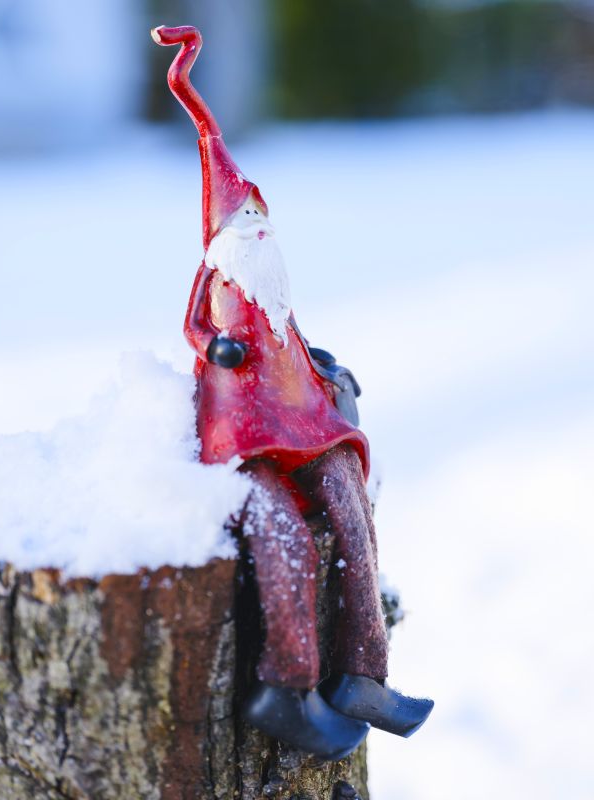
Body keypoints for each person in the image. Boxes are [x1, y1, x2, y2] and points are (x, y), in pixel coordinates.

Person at [153, 25, 432, 761]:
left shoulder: (271, 288)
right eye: (245, 220)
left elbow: (292, 339)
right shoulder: (218, 288)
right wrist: (219, 348)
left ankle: (362, 675)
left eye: (260, 219)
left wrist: (324, 367)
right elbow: (194, 332)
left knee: (346, 499)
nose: (257, 229)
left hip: (302, 418)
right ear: (222, 235)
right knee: (281, 534)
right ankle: (288, 685)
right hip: (244, 434)